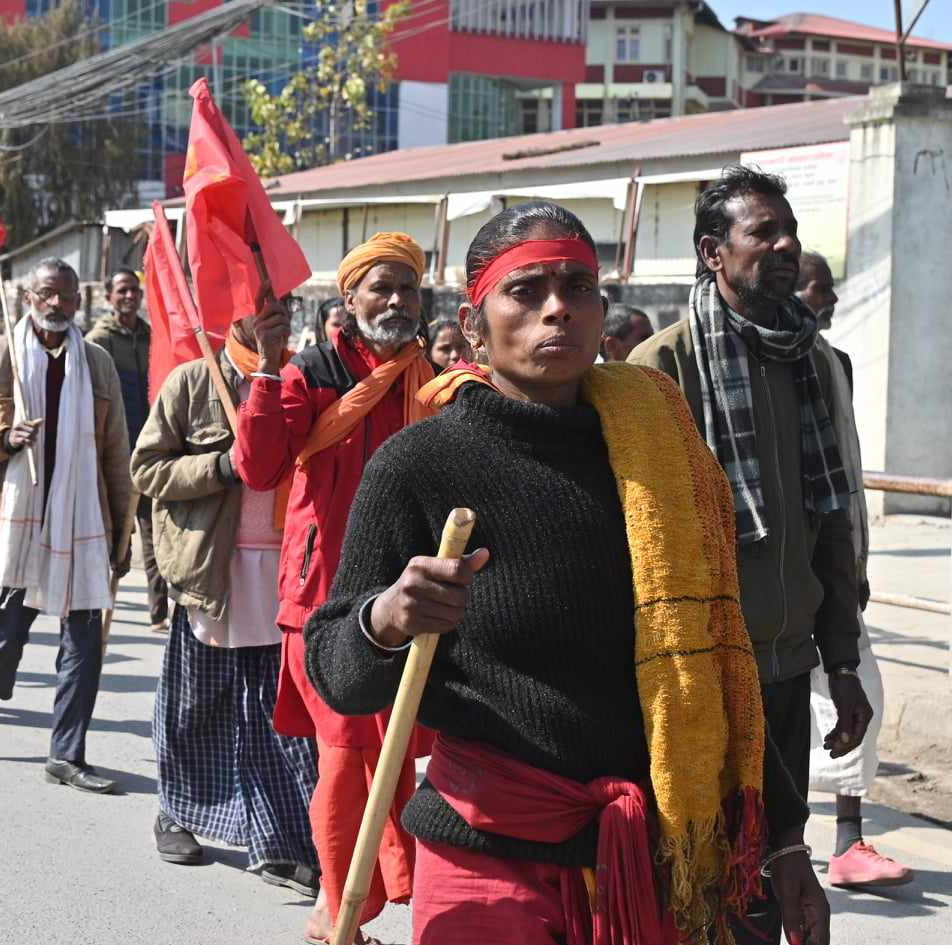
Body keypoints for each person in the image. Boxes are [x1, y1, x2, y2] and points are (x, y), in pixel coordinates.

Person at [306, 199, 829, 945]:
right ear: (473, 322)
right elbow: (334, 669)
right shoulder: (419, 464)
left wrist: (785, 841)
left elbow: (717, 668)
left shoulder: (664, 459)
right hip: (487, 859)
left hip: (648, 856)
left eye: (577, 288)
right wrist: (387, 617)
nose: (558, 310)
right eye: (527, 291)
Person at [631, 166, 865, 945]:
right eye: (763, 231)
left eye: (789, 229)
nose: (787, 244)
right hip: (693, 674)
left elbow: (835, 526)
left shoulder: (819, 362)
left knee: (772, 875)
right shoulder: (658, 374)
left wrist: (843, 662)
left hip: (788, 670)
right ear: (713, 253)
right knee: (689, 877)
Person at [233, 232, 438, 944]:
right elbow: (259, 467)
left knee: (394, 758)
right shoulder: (311, 373)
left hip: (407, 601)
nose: (396, 301)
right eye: (382, 287)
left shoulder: (431, 379)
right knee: (345, 760)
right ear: (349, 300)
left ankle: (355, 906)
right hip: (323, 602)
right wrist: (264, 367)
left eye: (407, 288)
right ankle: (335, 911)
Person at [131, 305, 322, 899]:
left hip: (285, 574)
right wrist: (220, 465)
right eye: (261, 308)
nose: (276, 318)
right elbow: (148, 468)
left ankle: (277, 842)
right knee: (195, 704)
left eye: (284, 307)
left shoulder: (300, 381)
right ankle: (178, 814)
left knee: (276, 716)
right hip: (209, 571)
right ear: (234, 314)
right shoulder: (194, 380)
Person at [0, 258, 133, 794]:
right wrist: (5, 439)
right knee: (7, 635)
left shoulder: (96, 365)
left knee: (83, 643)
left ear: (80, 302)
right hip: (15, 522)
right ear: (28, 297)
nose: (57, 305)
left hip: (82, 522)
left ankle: (66, 754)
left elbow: (116, 454)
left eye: (68, 297)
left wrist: (121, 534)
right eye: (48, 294)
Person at [794, 250, 912, 887]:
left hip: (836, 565)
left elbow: (843, 474)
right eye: (822, 289)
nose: (831, 301)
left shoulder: (834, 364)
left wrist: (854, 562)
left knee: (856, 694)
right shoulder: (758, 360)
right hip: (776, 568)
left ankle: (847, 842)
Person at [86, 268, 169, 635]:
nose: (130, 296)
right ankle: (93, 608)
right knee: (111, 533)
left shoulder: (152, 338)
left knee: (154, 537)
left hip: (149, 453)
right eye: (122, 290)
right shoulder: (98, 342)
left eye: (135, 290)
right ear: (109, 297)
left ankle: (158, 612)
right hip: (113, 456)